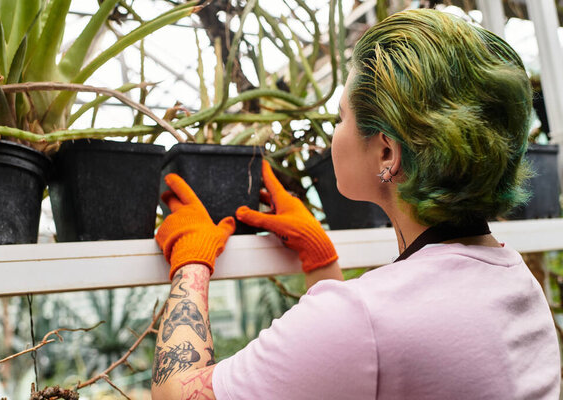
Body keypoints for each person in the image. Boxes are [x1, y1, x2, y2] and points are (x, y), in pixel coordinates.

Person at [151, 8, 561, 400]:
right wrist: (322, 263)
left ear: (387, 153)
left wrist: (192, 263)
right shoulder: (516, 281)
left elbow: (177, 394)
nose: (334, 135)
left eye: (341, 118)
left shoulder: (364, 317)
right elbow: (374, 366)